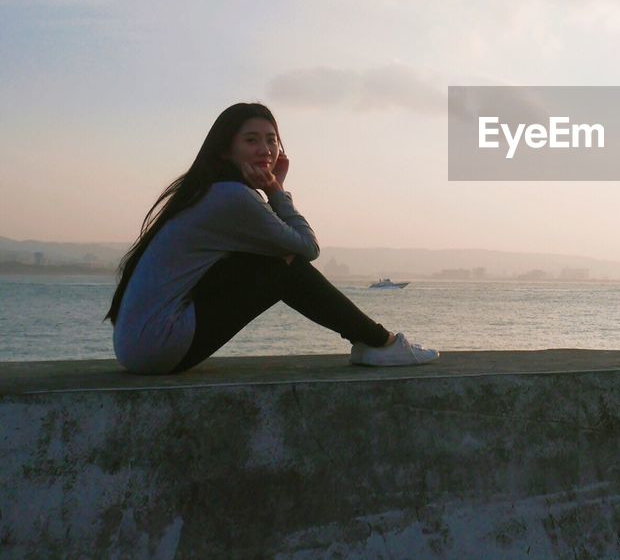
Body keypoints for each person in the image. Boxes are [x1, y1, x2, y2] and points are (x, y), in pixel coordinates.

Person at [105, 102, 439, 373]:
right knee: (281, 268)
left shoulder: (210, 191)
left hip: (139, 346)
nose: (265, 150)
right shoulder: (230, 197)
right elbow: (307, 247)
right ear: (225, 151)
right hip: (158, 348)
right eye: (251, 140)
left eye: (271, 139)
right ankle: (381, 344)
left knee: (272, 259)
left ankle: (373, 343)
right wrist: (277, 191)